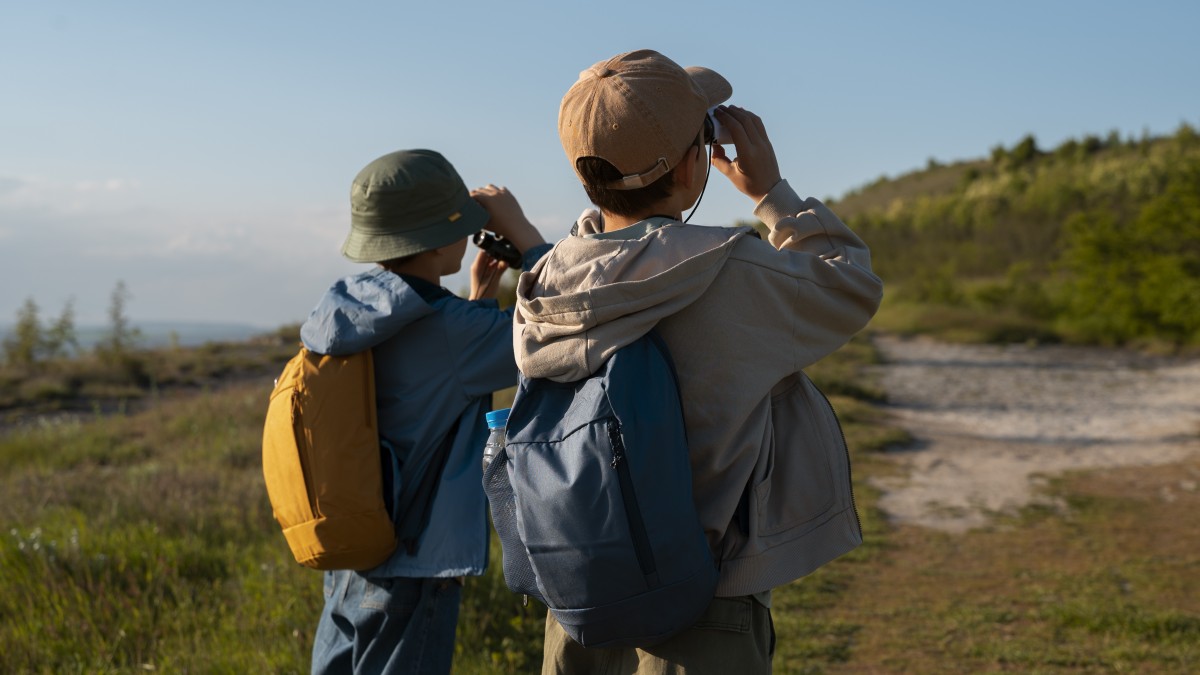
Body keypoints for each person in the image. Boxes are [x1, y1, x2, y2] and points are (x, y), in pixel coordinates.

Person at [512, 49, 884, 673]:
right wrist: (771, 194)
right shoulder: (728, 270)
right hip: (704, 608)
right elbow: (850, 286)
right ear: (693, 167)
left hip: (578, 599)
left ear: (585, 174)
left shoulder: (549, 280)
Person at [302, 148, 550, 675]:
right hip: (415, 565)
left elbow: (434, 365)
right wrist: (527, 237)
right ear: (443, 237)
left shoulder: (347, 307)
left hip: (355, 550)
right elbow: (565, 323)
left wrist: (478, 297)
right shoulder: (453, 333)